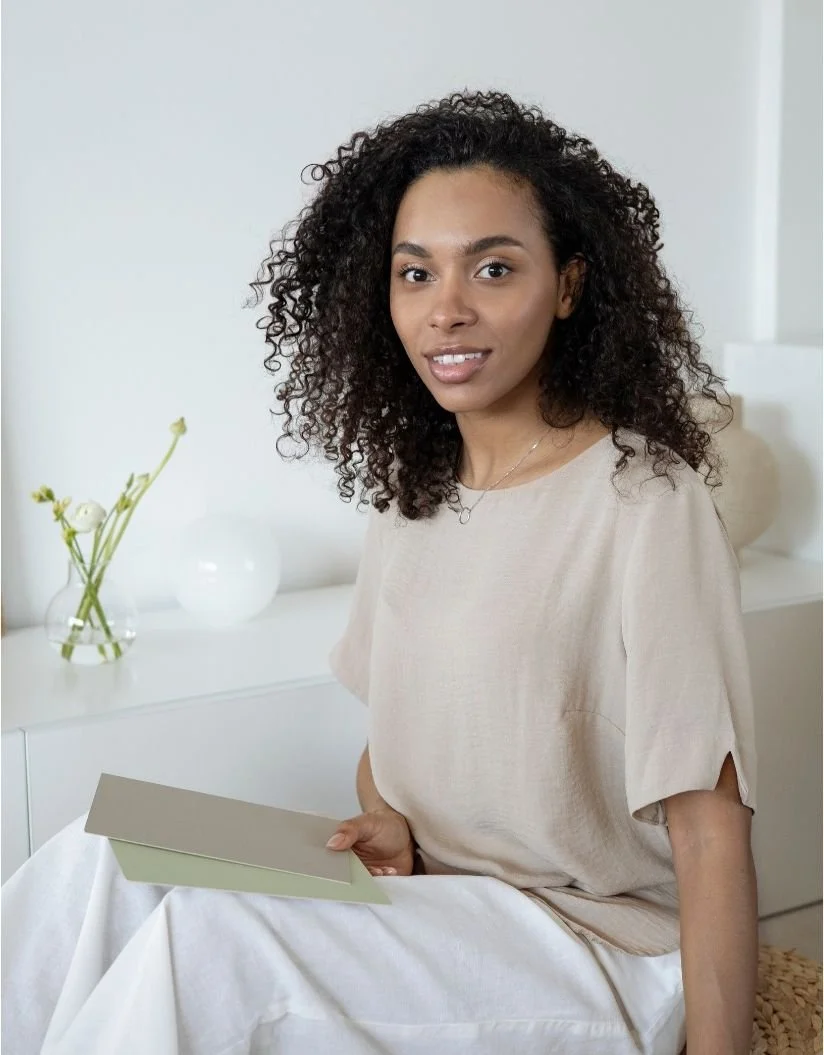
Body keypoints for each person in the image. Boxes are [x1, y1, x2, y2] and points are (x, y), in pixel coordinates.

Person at [2, 89, 758, 1055]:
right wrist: (389, 822)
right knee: (96, 854)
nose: (448, 309)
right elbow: (398, 739)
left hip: (595, 945)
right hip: (438, 908)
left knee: (208, 943)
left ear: (569, 285)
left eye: (493, 267)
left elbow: (709, 821)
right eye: (415, 272)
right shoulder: (414, 499)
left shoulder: (644, 499)